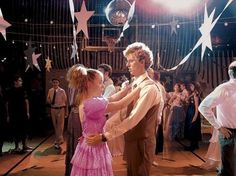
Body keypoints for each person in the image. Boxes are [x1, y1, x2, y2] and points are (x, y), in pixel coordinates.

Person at [87, 42, 162, 176]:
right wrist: (108, 126)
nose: (127, 64)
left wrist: (105, 136)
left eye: (131, 61)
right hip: (132, 139)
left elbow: (133, 118)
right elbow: (123, 112)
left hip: (142, 142)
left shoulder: (149, 88)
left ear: (143, 61)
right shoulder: (134, 85)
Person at [70, 66, 140, 176]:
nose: (103, 86)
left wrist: (127, 89)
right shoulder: (93, 104)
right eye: (100, 82)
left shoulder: (88, 100)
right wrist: (137, 90)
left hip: (89, 143)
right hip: (94, 147)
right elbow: (121, 104)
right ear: (89, 84)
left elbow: (112, 99)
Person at [198, 60, 236, 176]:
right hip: (229, 132)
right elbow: (203, 107)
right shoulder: (224, 88)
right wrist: (219, 127)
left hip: (228, 131)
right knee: (228, 168)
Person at [65, 64, 83, 176]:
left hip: (75, 114)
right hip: (76, 114)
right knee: (76, 141)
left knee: (75, 141)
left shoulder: (73, 85)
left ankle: (74, 170)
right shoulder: (77, 86)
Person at [6, 75, 31, 153]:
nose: (21, 82)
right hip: (14, 113)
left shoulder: (23, 90)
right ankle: (16, 146)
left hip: (22, 112)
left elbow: (26, 101)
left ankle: (25, 145)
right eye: (20, 80)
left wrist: (27, 112)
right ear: (15, 82)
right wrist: (8, 115)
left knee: (24, 128)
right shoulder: (10, 90)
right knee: (15, 129)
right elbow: (7, 103)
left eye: (21, 80)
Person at [47, 78, 67, 149]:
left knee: (60, 124)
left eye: (56, 82)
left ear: (58, 83)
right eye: (54, 82)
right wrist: (49, 101)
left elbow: (65, 101)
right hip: (53, 109)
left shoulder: (62, 91)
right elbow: (48, 99)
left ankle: (59, 140)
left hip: (60, 109)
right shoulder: (50, 90)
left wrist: (66, 112)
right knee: (55, 124)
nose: (55, 84)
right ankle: (59, 138)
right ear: (52, 83)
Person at [184, 83, 202, 151]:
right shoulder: (194, 93)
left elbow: (197, 107)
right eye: (190, 85)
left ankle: (192, 146)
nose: (190, 87)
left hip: (193, 112)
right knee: (193, 128)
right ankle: (195, 144)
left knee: (192, 129)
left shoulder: (196, 95)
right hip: (191, 111)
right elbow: (187, 99)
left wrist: (195, 116)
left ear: (195, 86)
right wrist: (191, 94)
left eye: (192, 85)